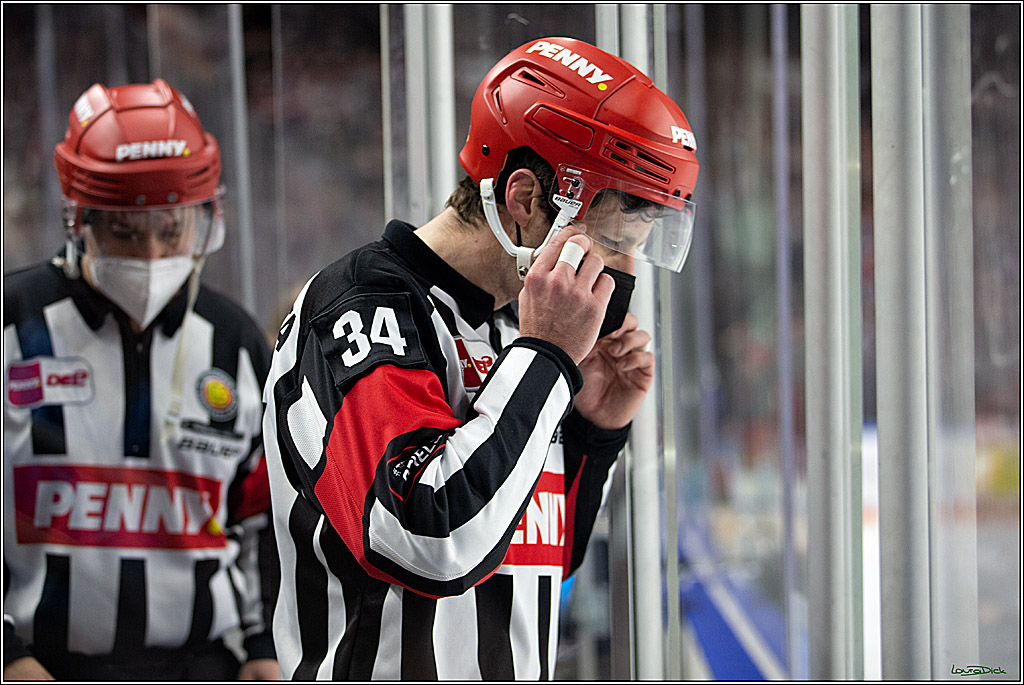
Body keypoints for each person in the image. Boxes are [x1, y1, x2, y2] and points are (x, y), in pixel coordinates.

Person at [263, 36, 699, 679]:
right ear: (524, 201)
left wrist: (590, 430)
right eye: (611, 242)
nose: (622, 275)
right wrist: (546, 359)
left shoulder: (520, 324)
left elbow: (536, 557)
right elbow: (430, 537)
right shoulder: (364, 305)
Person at [3, 79, 280, 681]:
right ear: (80, 219)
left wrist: (263, 647)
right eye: (126, 232)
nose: (152, 255)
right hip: (37, 665)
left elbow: (260, 516)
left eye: (171, 229)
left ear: (204, 220)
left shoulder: (235, 342)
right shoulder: (11, 326)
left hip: (201, 666)